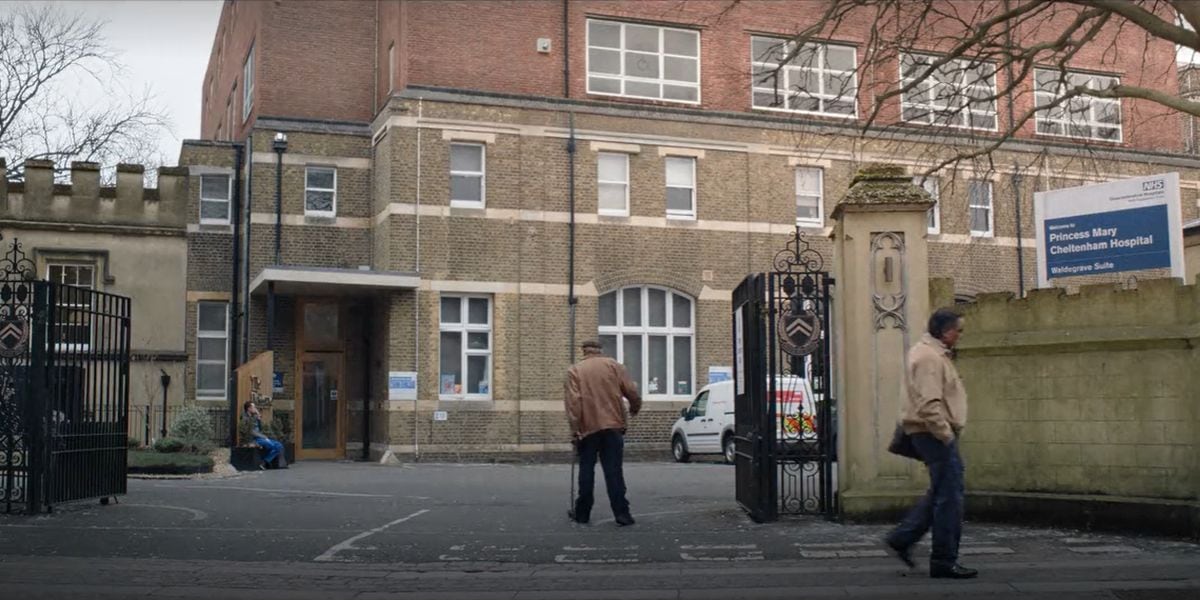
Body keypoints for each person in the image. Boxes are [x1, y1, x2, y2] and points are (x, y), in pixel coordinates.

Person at [885, 308, 976, 579]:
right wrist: (945, 434)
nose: (960, 335)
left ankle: (903, 538)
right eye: (958, 330)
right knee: (950, 497)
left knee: (941, 491)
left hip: (930, 432)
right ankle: (944, 561)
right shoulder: (928, 358)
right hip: (933, 433)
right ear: (946, 331)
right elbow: (929, 403)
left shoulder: (931, 354)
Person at [564, 339, 642, 526]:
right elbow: (631, 390)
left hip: (587, 429)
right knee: (614, 472)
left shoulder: (574, 371)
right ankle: (622, 513)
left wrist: (574, 430)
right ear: (600, 351)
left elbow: (573, 404)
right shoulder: (614, 366)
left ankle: (583, 513)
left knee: (586, 470)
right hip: (613, 426)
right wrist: (634, 407)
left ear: (584, 351)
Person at [243, 401, 285, 469]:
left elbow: (260, 429)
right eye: (253, 407)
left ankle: (265, 462)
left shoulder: (255, 417)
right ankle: (265, 462)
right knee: (272, 445)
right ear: (249, 409)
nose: (255, 408)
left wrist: (259, 418)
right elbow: (251, 432)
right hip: (254, 439)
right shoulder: (246, 418)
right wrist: (264, 437)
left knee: (279, 445)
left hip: (261, 438)